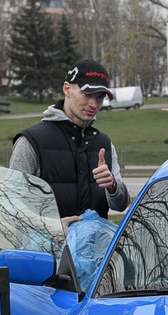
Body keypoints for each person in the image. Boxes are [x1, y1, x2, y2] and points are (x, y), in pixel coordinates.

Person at [9, 59, 130, 220]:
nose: (94, 104)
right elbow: (11, 207)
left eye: (100, 97)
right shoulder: (31, 142)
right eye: (87, 94)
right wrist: (54, 228)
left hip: (97, 237)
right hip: (43, 238)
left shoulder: (104, 144)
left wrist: (112, 186)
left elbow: (121, 205)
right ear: (67, 89)